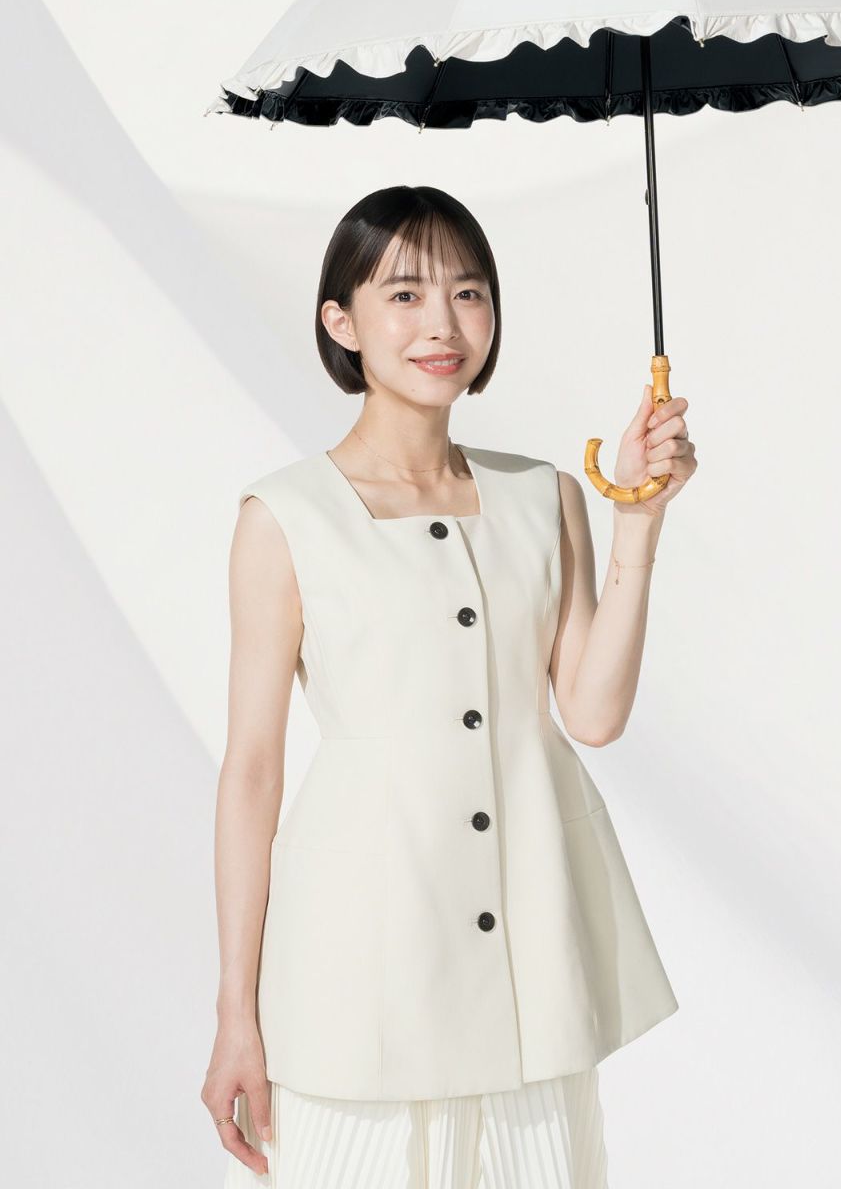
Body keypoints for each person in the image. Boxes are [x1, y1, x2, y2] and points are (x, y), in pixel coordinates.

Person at [202, 185, 698, 1188]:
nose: (443, 323)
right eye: (405, 295)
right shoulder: (285, 517)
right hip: (358, 970)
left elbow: (593, 714)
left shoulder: (543, 495)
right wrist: (235, 1013)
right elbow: (252, 772)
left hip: (530, 958)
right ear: (341, 322)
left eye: (469, 293)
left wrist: (639, 520)